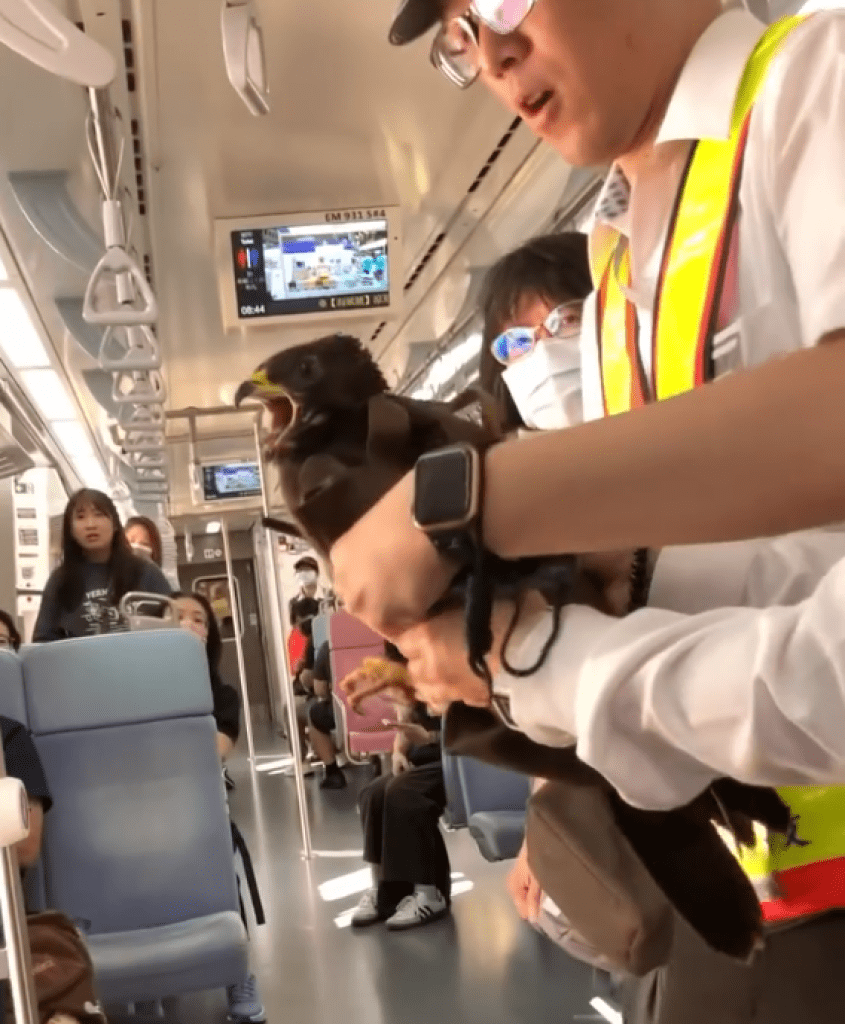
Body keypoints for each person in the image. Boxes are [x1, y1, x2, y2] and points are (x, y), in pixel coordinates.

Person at [171, 591, 266, 1024]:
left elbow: (214, 752)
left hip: (196, 807)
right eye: (176, 617)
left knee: (221, 877)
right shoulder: (123, 693)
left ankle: (238, 976)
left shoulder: (222, 695)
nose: (189, 625)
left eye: (199, 620)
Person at [346, 646, 450, 931]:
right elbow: (405, 721)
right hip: (423, 759)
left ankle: (430, 893)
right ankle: (385, 891)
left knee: (403, 792)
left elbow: (471, 731)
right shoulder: (406, 673)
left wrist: (429, 737)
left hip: (456, 758)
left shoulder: (450, 667)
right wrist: (398, 752)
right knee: (373, 793)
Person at [33, 489, 171, 642]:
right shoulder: (60, 580)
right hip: (82, 665)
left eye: (99, 514)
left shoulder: (146, 572)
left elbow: (173, 626)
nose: (90, 525)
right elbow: (42, 640)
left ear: (115, 524)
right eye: (80, 517)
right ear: (70, 529)